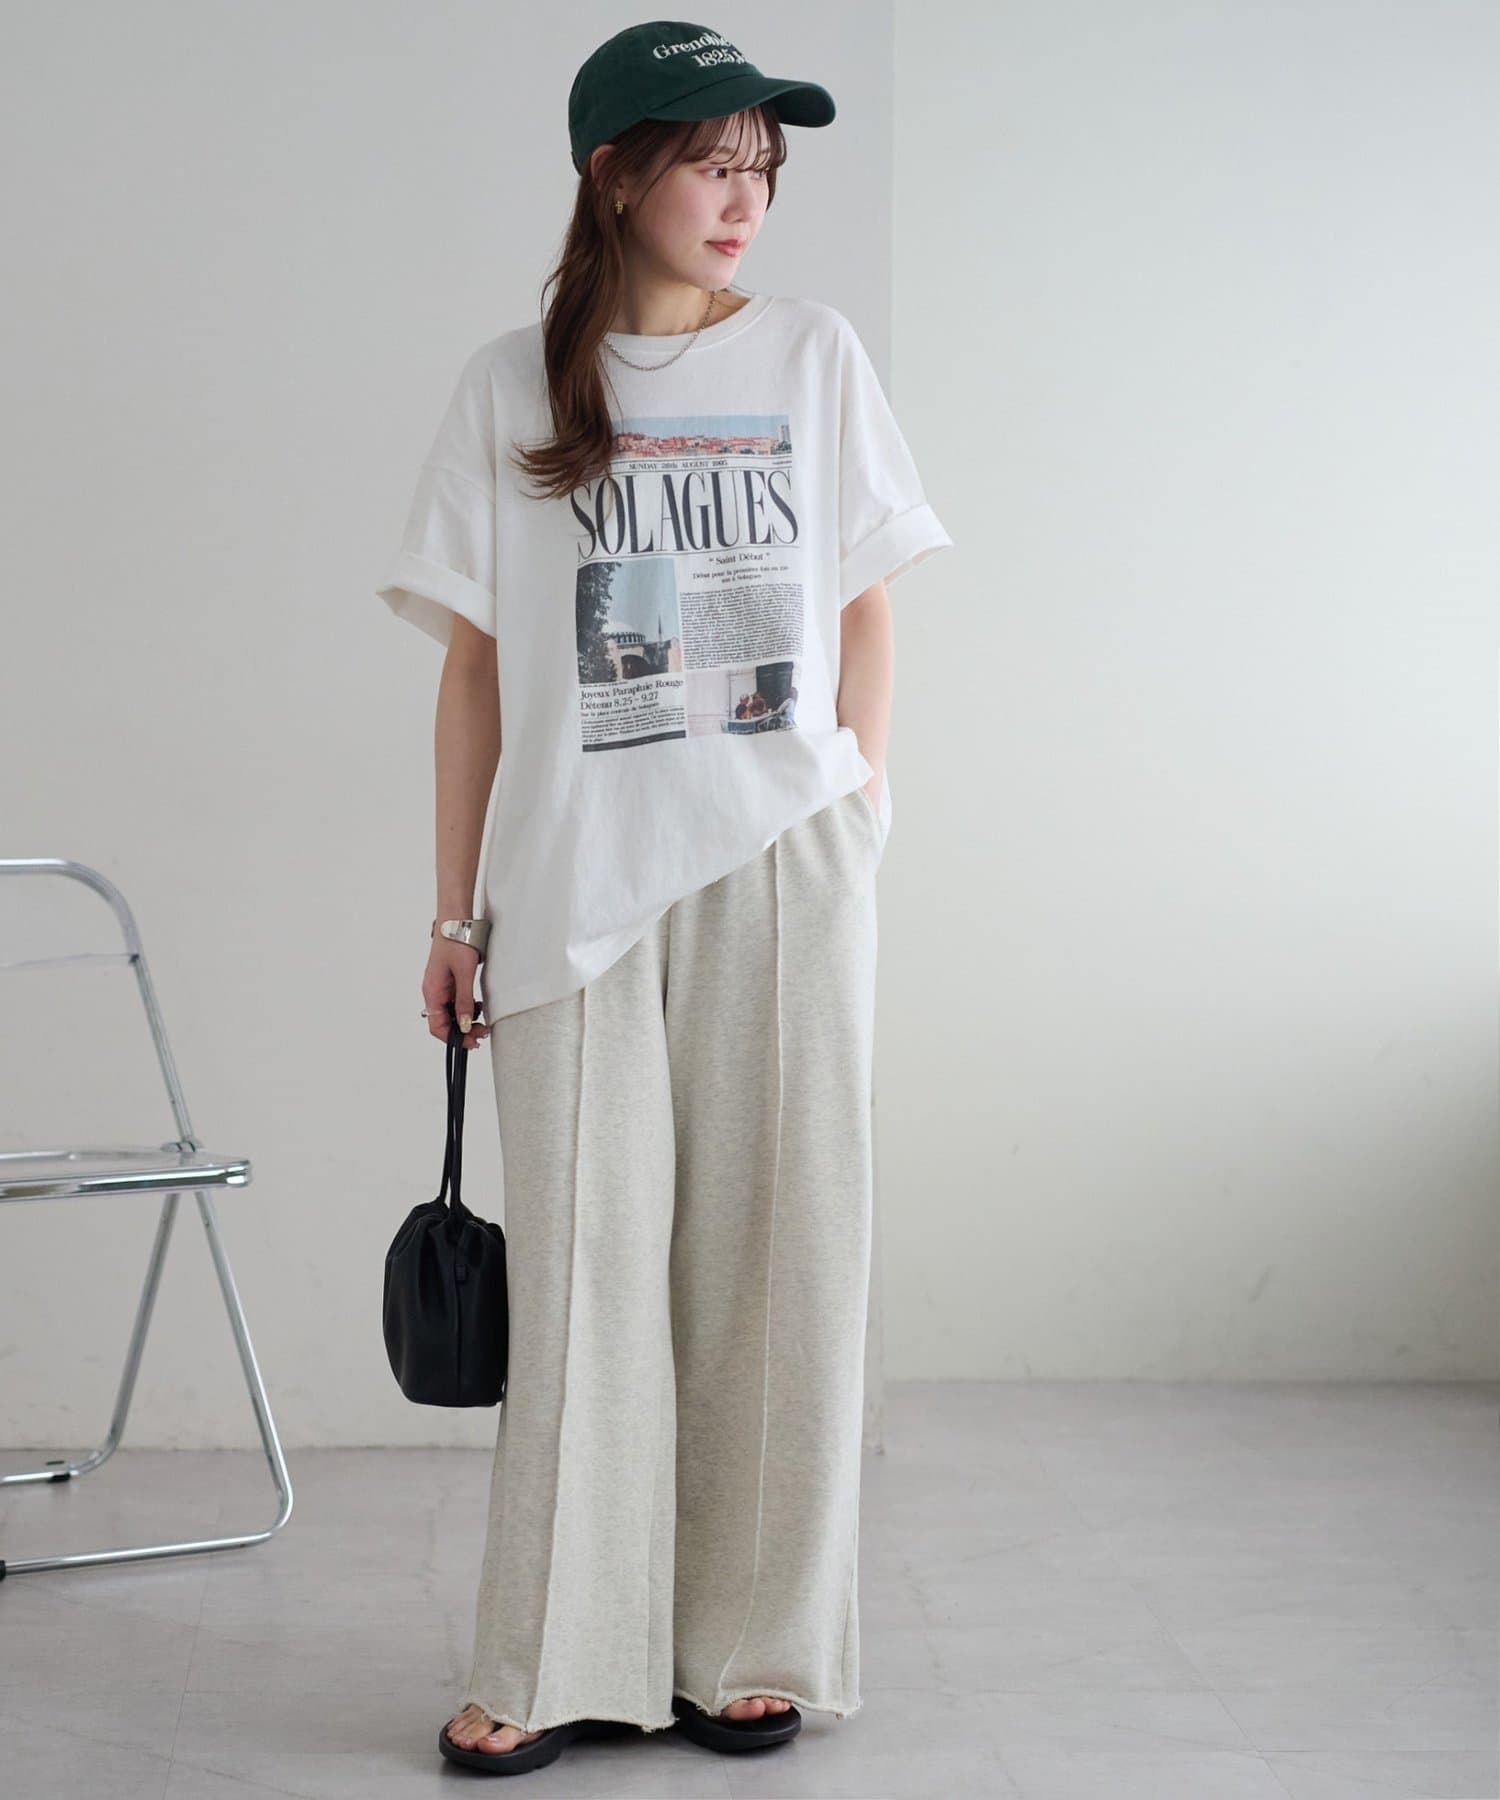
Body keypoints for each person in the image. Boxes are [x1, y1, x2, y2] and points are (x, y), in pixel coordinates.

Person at [375, 18, 953, 1779]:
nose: (746, 197)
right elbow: (475, 668)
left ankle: (751, 1642)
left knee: (784, 1255)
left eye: (763, 166)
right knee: (585, 1276)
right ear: (614, 173)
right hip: (575, 877)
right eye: (713, 162)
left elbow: (866, 604)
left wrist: (858, 801)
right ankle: (553, 1658)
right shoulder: (511, 385)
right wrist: (454, 914)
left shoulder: (814, 354)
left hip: (784, 854)